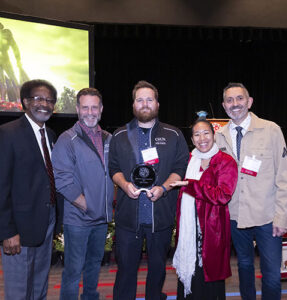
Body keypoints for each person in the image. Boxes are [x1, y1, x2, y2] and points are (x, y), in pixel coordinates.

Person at [109, 80, 189, 300]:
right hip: (128, 218)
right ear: (133, 105)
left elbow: (180, 167)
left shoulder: (174, 135)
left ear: (157, 103)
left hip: (160, 216)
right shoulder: (119, 135)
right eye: (139, 99)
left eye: (149, 99)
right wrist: (124, 185)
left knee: (157, 271)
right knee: (125, 272)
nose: (145, 104)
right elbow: (114, 168)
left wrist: (163, 188)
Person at [215, 82, 287, 300]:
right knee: (244, 268)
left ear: (249, 102)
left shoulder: (271, 130)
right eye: (230, 100)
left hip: (268, 217)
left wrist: (283, 216)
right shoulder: (219, 136)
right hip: (235, 216)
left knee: (271, 276)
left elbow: (284, 177)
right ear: (224, 106)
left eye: (239, 98)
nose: (235, 104)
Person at [52, 87, 114, 300]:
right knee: (73, 271)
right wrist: (87, 206)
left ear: (101, 109)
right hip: (78, 219)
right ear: (77, 109)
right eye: (85, 107)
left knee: (93, 266)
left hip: (101, 220)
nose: (90, 112)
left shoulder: (108, 139)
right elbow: (62, 181)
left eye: (94, 107)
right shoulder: (66, 140)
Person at [0, 79, 58, 299]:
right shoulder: (8, 134)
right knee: (19, 290)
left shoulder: (50, 135)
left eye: (50, 100)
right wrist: (7, 231)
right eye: (38, 98)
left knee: (39, 284)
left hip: (46, 220)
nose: (45, 104)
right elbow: (1, 185)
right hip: (19, 229)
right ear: (25, 102)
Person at [171, 115, 238, 300]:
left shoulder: (225, 161)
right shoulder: (187, 161)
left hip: (212, 232)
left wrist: (191, 185)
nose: (202, 139)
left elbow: (223, 195)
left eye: (206, 133)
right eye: (197, 135)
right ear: (192, 139)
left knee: (210, 280)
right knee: (190, 277)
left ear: (213, 134)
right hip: (187, 231)